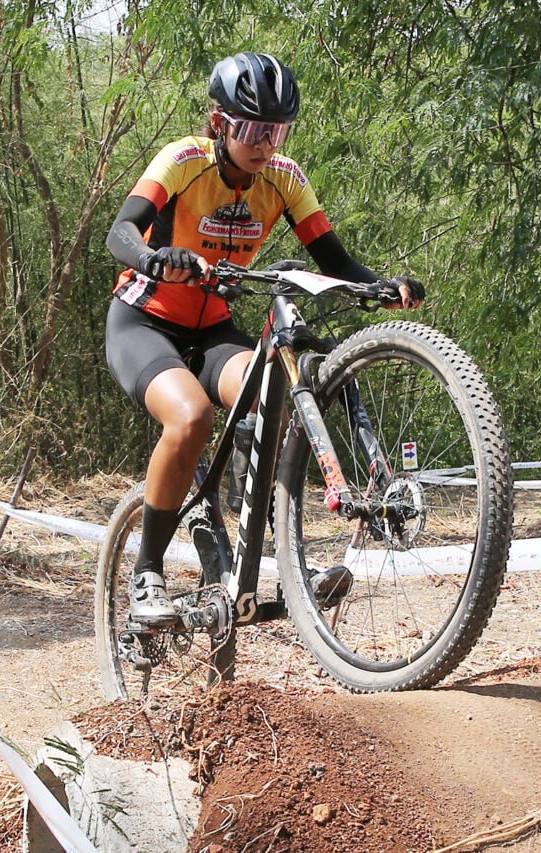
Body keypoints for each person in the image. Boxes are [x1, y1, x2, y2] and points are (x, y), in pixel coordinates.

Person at [103, 51, 424, 625]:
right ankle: (147, 572)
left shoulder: (285, 178)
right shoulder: (183, 160)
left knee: (275, 398)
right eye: (251, 130)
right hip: (144, 323)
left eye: (276, 132)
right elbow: (121, 231)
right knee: (192, 417)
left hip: (213, 330)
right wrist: (154, 258)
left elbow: (332, 259)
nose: (264, 144)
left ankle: (286, 557)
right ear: (219, 123)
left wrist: (380, 285)